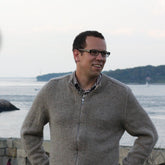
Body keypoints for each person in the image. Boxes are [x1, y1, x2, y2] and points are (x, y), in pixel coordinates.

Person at [21, 30, 158, 165]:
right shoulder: (52, 89)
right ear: (76, 55)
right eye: (93, 52)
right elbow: (29, 132)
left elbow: (148, 134)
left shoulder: (121, 94)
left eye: (104, 54)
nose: (100, 58)